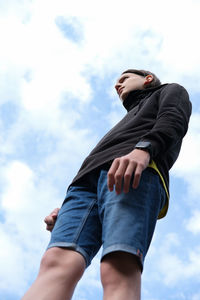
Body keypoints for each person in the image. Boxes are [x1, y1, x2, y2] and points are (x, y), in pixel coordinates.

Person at [22, 69, 192, 300]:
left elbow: (174, 119)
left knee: (118, 263)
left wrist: (145, 149)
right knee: (56, 262)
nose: (117, 85)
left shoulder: (171, 90)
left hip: (132, 172)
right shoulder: (127, 118)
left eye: (124, 79)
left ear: (147, 79)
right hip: (83, 187)